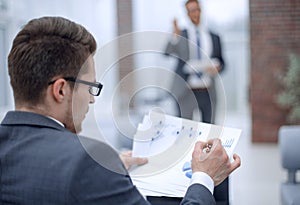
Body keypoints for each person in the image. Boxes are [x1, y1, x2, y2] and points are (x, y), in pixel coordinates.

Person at [0, 16, 240, 205]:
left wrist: (109, 173)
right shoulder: (87, 160)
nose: (92, 101)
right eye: (91, 87)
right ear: (61, 90)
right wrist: (203, 178)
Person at [164, 0, 229, 204]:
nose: (194, 13)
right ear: (186, 13)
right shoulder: (181, 34)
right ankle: (185, 175)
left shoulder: (214, 36)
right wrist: (174, 36)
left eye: (197, 9)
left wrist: (216, 67)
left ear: (201, 11)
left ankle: (208, 173)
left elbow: (223, 62)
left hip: (207, 90)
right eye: (190, 10)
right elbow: (167, 53)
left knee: (210, 130)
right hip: (186, 91)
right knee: (185, 132)